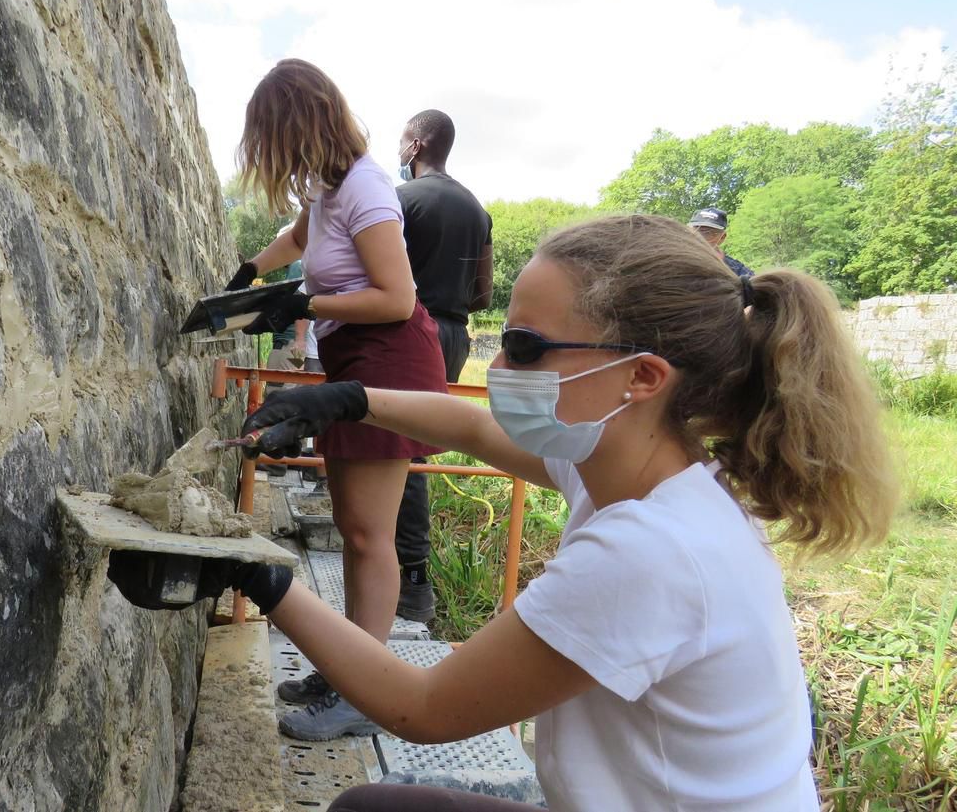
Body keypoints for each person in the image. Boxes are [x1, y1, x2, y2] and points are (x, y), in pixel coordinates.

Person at [110, 214, 897, 809]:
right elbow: (478, 425)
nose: (501, 367)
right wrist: (347, 399)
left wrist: (263, 578)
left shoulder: (654, 550)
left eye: (523, 347)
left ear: (642, 376)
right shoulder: (646, 466)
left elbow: (423, 705)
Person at [221, 59, 449, 740]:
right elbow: (299, 238)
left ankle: (366, 695)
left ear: (301, 126)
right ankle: (349, 664)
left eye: (273, 138)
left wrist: (301, 299)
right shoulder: (327, 190)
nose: (272, 155)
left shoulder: (367, 188)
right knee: (354, 525)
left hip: (391, 357)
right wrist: (251, 273)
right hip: (356, 356)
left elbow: (397, 296)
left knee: (369, 532)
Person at [393, 108, 494, 622]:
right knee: (416, 447)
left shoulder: (402, 200)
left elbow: (378, 275)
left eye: (403, 138)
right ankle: (408, 574)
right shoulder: (477, 210)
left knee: (400, 449)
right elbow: (485, 292)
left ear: (416, 145)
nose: (400, 146)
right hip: (454, 334)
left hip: (409, 329)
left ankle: (410, 579)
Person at [688, 206, 755, 276]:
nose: (700, 237)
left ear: (722, 237)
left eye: (708, 233)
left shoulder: (739, 272)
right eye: (695, 231)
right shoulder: (678, 262)